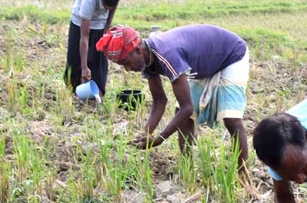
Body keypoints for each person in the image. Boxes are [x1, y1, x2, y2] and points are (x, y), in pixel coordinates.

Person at [96, 24, 250, 174]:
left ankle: (243, 174)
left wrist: (160, 138)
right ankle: (187, 169)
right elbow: (159, 101)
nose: (127, 69)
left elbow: (187, 107)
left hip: (231, 54)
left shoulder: (167, 54)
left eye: (126, 63)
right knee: (183, 117)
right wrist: (147, 132)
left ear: (137, 50)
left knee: (231, 119)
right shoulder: (148, 59)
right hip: (205, 64)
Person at [65, 0, 128, 98]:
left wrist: (107, 27)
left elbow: (114, 5)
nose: (108, 9)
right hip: (80, 22)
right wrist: (84, 67)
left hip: (101, 23)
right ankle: (73, 92)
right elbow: (84, 36)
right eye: (106, 6)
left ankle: (98, 94)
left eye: (111, 6)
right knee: (75, 60)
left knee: (99, 58)